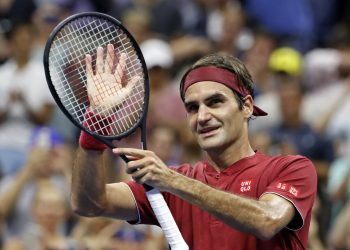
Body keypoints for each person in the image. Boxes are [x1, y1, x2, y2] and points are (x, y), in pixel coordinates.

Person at [71, 46, 317, 250]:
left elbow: (266, 220)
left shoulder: (292, 168)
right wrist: (95, 125)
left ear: (247, 106)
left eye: (215, 102)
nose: (202, 116)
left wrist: (172, 182)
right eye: (192, 107)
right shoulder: (170, 182)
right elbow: (90, 203)